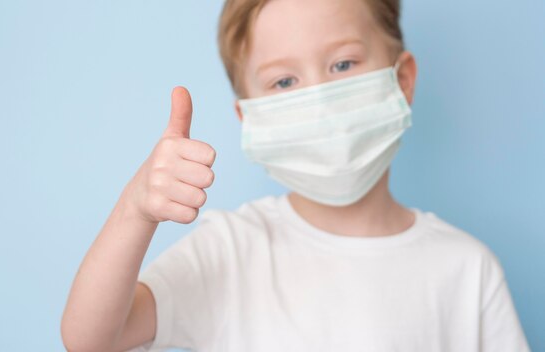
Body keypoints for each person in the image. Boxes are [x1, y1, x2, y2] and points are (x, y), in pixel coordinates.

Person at [61, 0, 531, 351]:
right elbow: (92, 339)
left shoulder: (468, 270)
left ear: (401, 81)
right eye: (284, 82)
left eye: (343, 64)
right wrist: (135, 209)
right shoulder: (232, 250)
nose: (321, 101)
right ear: (252, 119)